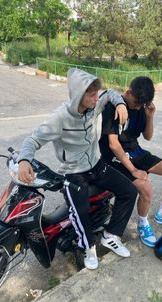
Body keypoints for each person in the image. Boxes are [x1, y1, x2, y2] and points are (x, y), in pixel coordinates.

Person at [17, 68, 137, 270]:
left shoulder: (95, 104)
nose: (96, 97)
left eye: (96, 93)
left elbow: (110, 94)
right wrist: (24, 160)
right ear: (79, 95)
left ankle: (110, 235)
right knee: (79, 210)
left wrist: (120, 103)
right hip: (73, 172)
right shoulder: (60, 118)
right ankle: (88, 247)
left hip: (96, 165)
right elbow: (33, 140)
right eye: (91, 94)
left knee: (130, 191)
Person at [99, 76, 162, 248]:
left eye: (141, 104)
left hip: (136, 151)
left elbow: (147, 136)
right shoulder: (114, 107)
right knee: (145, 187)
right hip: (115, 156)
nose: (137, 106)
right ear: (128, 92)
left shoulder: (142, 108)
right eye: (136, 102)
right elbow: (113, 144)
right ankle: (143, 223)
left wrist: (150, 116)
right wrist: (134, 171)